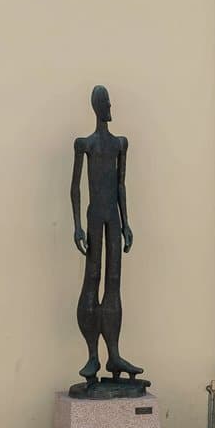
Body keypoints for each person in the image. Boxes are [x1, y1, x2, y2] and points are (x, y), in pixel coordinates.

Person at [69, 85, 146, 386]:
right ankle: (93, 355)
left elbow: (121, 185)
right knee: (92, 278)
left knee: (113, 282)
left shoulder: (120, 144)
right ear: (98, 107)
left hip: (112, 217)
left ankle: (113, 353)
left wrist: (126, 222)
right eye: (106, 102)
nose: (110, 106)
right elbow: (75, 187)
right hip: (94, 216)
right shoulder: (84, 144)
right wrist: (76, 225)